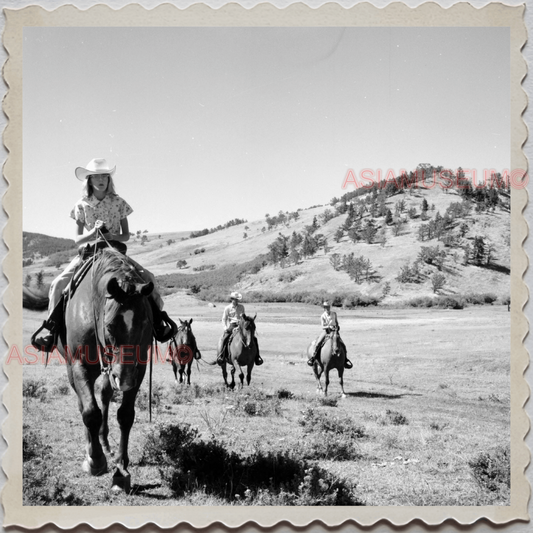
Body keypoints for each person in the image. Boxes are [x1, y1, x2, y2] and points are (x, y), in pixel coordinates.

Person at [31, 158, 177, 351]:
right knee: (58, 284)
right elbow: (77, 239)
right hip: (89, 253)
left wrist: (110, 235)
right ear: (89, 180)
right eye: (96, 176)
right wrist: (93, 234)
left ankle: (158, 324)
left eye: (105, 177)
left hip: (115, 253)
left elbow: (125, 235)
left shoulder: (119, 202)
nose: (101, 180)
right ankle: (51, 331)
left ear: (109, 180)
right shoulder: (81, 205)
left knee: (148, 278)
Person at [216, 291, 263, 366]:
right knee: (224, 338)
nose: (237, 301)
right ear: (232, 299)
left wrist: (240, 326)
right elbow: (224, 319)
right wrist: (225, 328)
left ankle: (257, 357)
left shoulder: (241, 307)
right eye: (235, 299)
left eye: (237, 299)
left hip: (241, 326)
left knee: (254, 338)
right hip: (232, 326)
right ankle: (221, 356)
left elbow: (243, 319)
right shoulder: (227, 308)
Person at [307, 301, 353, 368]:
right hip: (326, 331)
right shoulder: (323, 316)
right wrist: (329, 327)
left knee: (343, 345)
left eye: (328, 307)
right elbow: (323, 326)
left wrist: (337, 326)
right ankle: (313, 358)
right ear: (324, 308)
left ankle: (345, 360)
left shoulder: (334, 314)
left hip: (335, 331)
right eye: (326, 307)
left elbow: (336, 322)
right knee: (318, 343)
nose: (327, 308)